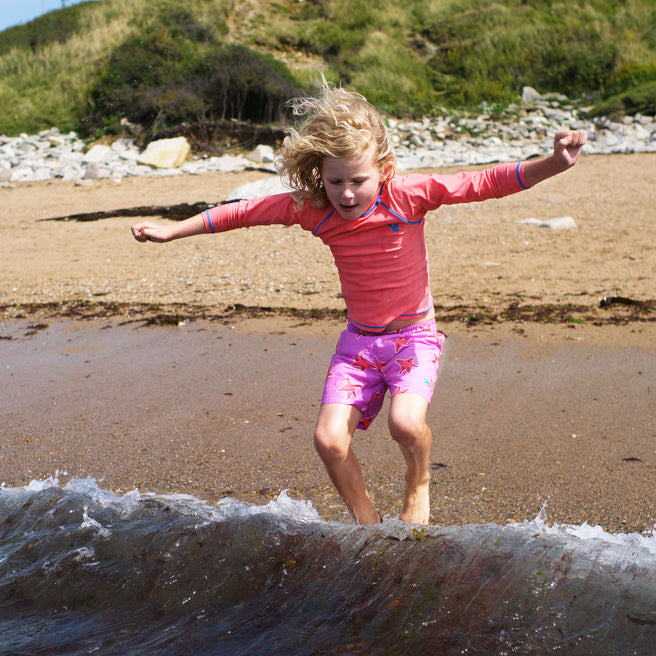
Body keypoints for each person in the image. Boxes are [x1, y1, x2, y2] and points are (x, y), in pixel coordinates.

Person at [131, 84, 586, 525]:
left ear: (384, 169)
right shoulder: (314, 210)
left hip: (413, 339)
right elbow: (243, 212)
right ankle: (366, 524)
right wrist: (173, 230)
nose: (347, 194)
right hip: (359, 346)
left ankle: (419, 479)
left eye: (358, 181)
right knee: (328, 440)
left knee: (406, 426)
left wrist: (553, 163)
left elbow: (484, 182)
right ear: (320, 175)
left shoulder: (408, 195)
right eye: (335, 182)